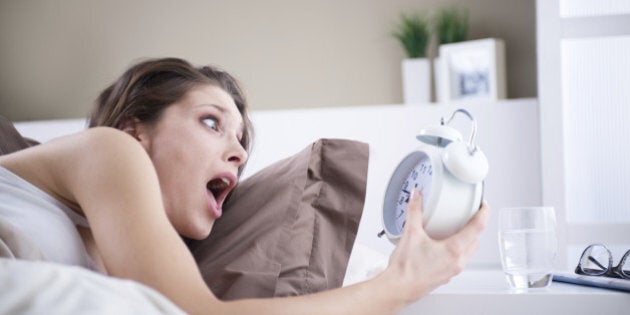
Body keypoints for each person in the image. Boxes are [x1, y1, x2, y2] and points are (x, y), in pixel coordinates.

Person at [0, 57, 488, 314]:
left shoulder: (117, 255)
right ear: (136, 130)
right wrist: (400, 285)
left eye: (241, 142)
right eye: (212, 123)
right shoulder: (108, 149)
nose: (236, 152)